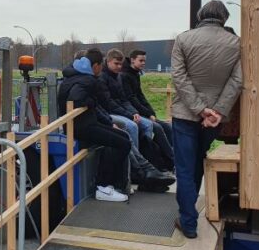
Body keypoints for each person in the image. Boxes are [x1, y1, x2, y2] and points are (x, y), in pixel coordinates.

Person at [171, 0, 242, 239]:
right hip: (215, 119)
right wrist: (217, 112)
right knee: (197, 161)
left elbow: (179, 78)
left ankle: (189, 223)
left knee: (184, 166)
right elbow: (236, 81)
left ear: (201, 15)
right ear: (225, 18)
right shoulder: (237, 43)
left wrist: (200, 109)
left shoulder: (183, 39)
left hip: (185, 114)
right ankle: (189, 215)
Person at [58, 48, 130, 202]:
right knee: (123, 143)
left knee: (121, 138)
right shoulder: (87, 79)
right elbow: (76, 100)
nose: (102, 69)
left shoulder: (74, 75)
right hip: (81, 127)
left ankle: (111, 185)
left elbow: (92, 106)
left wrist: (109, 123)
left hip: (82, 124)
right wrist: (91, 102)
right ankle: (103, 186)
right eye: (101, 66)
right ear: (95, 66)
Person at [121, 49, 175, 170]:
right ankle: (170, 161)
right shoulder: (124, 76)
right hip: (132, 112)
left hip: (141, 112)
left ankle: (166, 161)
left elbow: (141, 96)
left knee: (168, 127)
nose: (143, 63)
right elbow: (131, 99)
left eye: (144, 61)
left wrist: (151, 113)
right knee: (157, 127)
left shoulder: (135, 74)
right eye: (141, 60)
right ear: (133, 60)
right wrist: (147, 114)